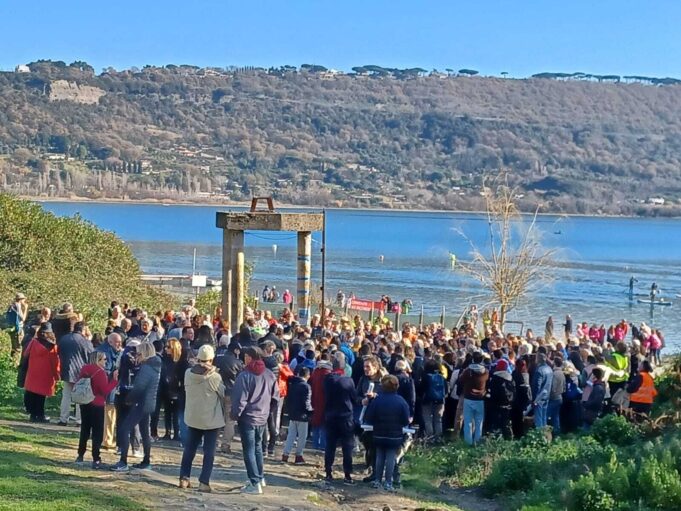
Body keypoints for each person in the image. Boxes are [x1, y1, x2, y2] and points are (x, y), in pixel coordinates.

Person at [231, 346, 278, 495]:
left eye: (245, 356)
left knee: (249, 450)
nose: (244, 359)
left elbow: (240, 399)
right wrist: (268, 412)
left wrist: (235, 415)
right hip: (262, 417)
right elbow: (275, 397)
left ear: (250, 357)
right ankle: (260, 477)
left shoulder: (244, 376)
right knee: (258, 448)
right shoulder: (269, 374)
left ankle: (254, 482)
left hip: (247, 418)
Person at [179, 345, 225, 492]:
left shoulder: (188, 373)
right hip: (211, 420)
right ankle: (204, 482)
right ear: (211, 359)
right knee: (209, 452)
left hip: (193, 417)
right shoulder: (214, 377)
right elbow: (223, 394)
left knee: (189, 449)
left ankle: (184, 478)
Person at [111, 342, 161, 472]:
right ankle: (146, 461)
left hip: (141, 403)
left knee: (124, 429)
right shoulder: (155, 365)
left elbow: (139, 387)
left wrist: (129, 400)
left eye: (138, 353)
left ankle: (123, 461)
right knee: (145, 432)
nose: (136, 356)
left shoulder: (146, 368)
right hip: (149, 402)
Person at [364, 374, 410, 492]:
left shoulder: (377, 400)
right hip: (394, 436)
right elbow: (405, 420)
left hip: (378, 434)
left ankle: (377, 480)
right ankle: (388, 482)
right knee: (391, 457)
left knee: (379, 456)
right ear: (396, 386)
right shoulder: (401, 401)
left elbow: (369, 417)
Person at [76, 351, 119, 469]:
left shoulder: (84, 369)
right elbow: (104, 390)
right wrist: (114, 381)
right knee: (97, 432)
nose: (106, 362)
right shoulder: (100, 372)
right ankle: (96, 457)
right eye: (104, 359)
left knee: (85, 429)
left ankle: (80, 454)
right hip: (97, 403)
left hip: (85, 402)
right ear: (98, 360)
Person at [323, 352, 357, 485]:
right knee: (347, 447)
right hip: (345, 418)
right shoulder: (348, 381)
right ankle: (347, 475)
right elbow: (354, 399)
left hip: (331, 416)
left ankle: (328, 472)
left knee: (330, 446)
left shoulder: (327, 380)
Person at [58, 322, 94, 426]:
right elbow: (91, 355)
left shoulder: (64, 338)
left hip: (66, 369)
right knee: (80, 395)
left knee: (66, 396)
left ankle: (63, 419)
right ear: (83, 329)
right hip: (80, 371)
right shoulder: (84, 341)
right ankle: (79, 420)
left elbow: (59, 352)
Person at [23, 322, 60, 423]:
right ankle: (40, 415)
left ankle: (33, 415)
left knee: (33, 394)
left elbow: (26, 354)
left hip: (33, 372)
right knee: (41, 397)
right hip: (45, 374)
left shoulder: (33, 342)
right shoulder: (52, 347)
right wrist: (56, 375)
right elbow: (55, 363)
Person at [214, 338, 243, 453]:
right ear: (236, 350)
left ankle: (214, 442)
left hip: (217, 391)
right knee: (229, 421)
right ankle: (225, 444)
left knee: (216, 418)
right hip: (231, 393)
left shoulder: (217, 359)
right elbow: (240, 379)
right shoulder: (238, 363)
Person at [282, 366, 313, 464]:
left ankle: (285, 454)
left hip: (293, 413)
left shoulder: (292, 384)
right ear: (308, 376)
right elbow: (306, 402)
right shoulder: (306, 386)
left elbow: (289, 399)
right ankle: (298, 456)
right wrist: (311, 412)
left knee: (291, 435)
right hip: (302, 415)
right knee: (302, 437)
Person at [97, 333, 123, 450]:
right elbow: (104, 371)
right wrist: (115, 372)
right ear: (110, 342)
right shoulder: (105, 353)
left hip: (109, 389)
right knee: (109, 414)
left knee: (109, 414)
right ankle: (107, 440)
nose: (119, 344)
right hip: (109, 389)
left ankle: (107, 438)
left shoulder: (111, 351)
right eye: (117, 342)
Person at [459, 351, 489, 446]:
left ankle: (468, 442)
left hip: (468, 398)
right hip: (480, 398)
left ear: (472, 359)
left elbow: (461, 379)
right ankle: (478, 441)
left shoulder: (468, 371)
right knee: (479, 421)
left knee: (468, 421)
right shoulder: (486, 372)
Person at [160, 338, 183, 440]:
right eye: (165, 347)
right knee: (167, 412)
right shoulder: (164, 359)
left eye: (168, 347)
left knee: (177, 412)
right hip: (166, 388)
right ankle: (168, 432)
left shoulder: (180, 361)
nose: (166, 349)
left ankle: (177, 433)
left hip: (177, 389)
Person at [421, 358, 447, 442]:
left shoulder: (425, 377)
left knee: (428, 419)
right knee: (438, 419)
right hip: (440, 401)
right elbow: (446, 390)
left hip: (427, 400)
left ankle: (429, 437)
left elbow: (421, 389)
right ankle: (438, 437)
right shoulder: (441, 377)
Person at [488, 359, 515, 439]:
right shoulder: (510, 378)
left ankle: (496, 437)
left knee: (496, 422)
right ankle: (508, 437)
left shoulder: (495, 378)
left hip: (497, 404)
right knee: (506, 422)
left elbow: (492, 391)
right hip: (508, 404)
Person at [531, 352, 553, 429]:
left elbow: (537, 386)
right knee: (544, 418)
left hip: (539, 397)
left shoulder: (539, 370)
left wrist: (534, 399)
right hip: (547, 395)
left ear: (538, 360)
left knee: (539, 419)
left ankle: (539, 436)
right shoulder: (549, 369)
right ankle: (546, 435)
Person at [511, 359, 532, 439]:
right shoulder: (526, 374)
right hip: (523, 400)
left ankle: (516, 434)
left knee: (515, 418)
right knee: (519, 418)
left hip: (516, 399)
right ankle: (520, 434)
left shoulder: (515, 374)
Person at [548, 357, 566, 435]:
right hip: (560, 397)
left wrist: (549, 395)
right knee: (555, 416)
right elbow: (564, 386)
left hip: (553, 398)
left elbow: (553, 387)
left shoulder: (554, 373)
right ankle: (557, 432)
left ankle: (545, 433)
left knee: (546, 415)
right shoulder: (562, 373)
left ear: (554, 363)